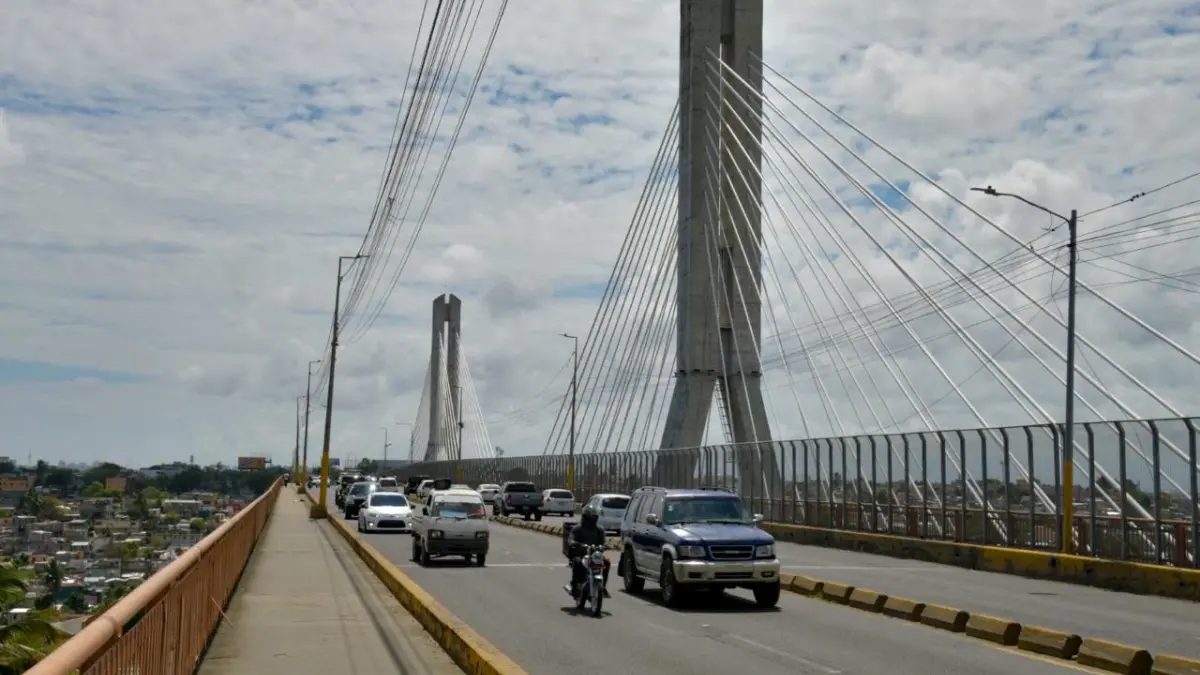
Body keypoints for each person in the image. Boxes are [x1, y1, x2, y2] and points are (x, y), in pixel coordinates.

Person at [568, 505, 610, 598]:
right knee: (578, 562)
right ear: (585, 517)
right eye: (590, 518)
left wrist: (605, 546)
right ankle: (575, 586)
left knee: (607, 562)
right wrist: (578, 545)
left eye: (594, 517)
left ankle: (602, 586)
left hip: (595, 555)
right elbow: (571, 539)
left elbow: (604, 541)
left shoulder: (600, 530)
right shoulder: (577, 529)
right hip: (582, 555)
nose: (592, 520)